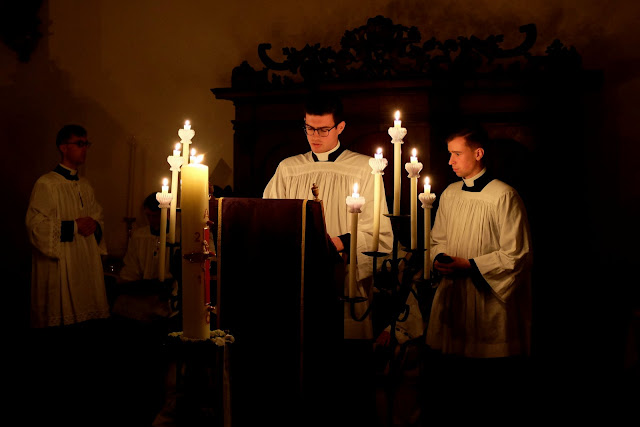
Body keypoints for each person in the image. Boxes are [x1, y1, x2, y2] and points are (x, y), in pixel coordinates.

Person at [263, 92, 394, 426]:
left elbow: (379, 233)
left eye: (323, 129)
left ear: (341, 127)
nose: (315, 136)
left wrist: (339, 242)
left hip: (344, 281)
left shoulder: (364, 168)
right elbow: (269, 220)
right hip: (300, 285)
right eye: (309, 128)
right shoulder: (288, 169)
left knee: (347, 386)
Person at [423, 125, 533, 417]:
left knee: (488, 385)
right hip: (454, 298)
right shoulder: (450, 193)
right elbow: (437, 239)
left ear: (478, 153)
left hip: (488, 299)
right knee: (453, 380)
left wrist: (471, 265)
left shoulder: (504, 196)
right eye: (449, 154)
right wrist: (439, 259)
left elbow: (517, 253)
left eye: (457, 154)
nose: (450, 161)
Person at [26, 124, 110, 330]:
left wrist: (94, 224)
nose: (85, 149)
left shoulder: (85, 185)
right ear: (63, 147)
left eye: (86, 144)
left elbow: (97, 216)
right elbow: (35, 226)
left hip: (84, 264)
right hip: (61, 265)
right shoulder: (46, 184)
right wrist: (73, 226)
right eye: (79, 143)